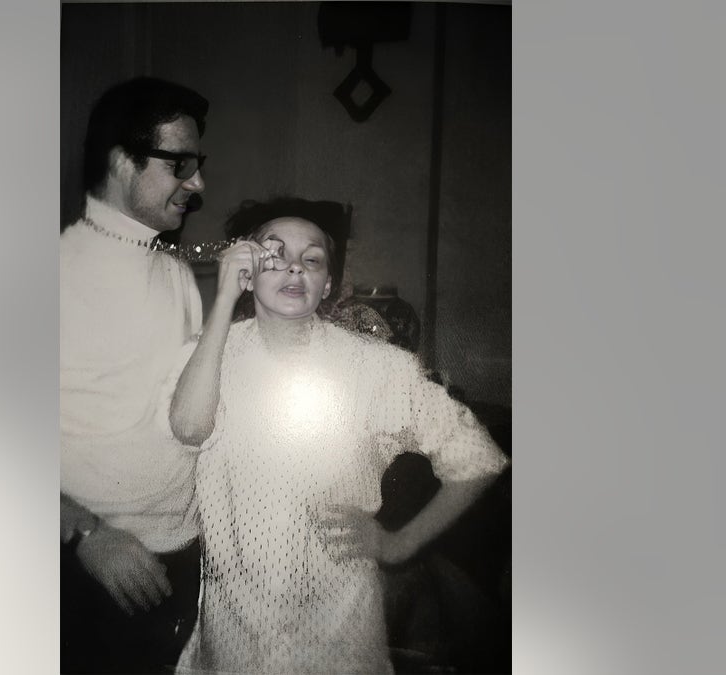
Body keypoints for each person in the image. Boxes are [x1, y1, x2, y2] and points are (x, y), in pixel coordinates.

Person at [167, 199, 510, 674]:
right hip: (234, 638)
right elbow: (188, 428)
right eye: (273, 253)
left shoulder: (376, 367)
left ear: (326, 284)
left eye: (312, 259)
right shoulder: (210, 354)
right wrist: (224, 301)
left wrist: (399, 545)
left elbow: (478, 457)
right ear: (247, 271)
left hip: (337, 635)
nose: (293, 266)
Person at [60, 76, 209, 674]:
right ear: (124, 162)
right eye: (181, 165)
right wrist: (86, 536)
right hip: (96, 571)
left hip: (184, 564)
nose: (198, 185)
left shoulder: (173, 273)